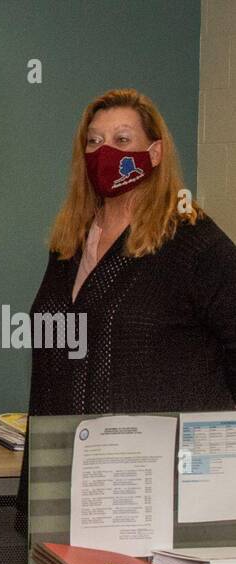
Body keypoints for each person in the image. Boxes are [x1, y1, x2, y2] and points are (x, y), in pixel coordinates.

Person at [29, 88, 236, 419]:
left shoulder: (193, 242)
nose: (105, 151)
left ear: (154, 153)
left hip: (160, 462)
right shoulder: (70, 244)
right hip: (70, 459)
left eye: (122, 140)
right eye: (94, 141)